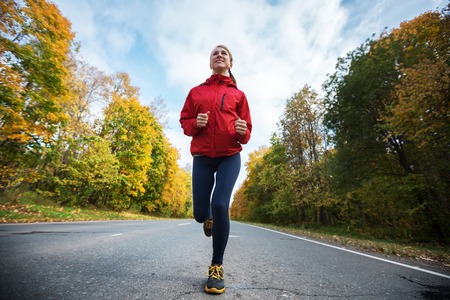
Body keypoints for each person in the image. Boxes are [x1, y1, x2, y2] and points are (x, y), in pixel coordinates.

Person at [179, 45, 252, 294]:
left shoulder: (239, 95)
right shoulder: (196, 92)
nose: (219, 55)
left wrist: (243, 132)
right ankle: (207, 217)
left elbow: (247, 132)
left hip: (229, 156)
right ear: (210, 62)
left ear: (230, 63)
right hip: (202, 156)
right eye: (215, 53)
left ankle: (216, 267)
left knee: (221, 204)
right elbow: (184, 121)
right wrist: (195, 124)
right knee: (201, 213)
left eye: (224, 53)